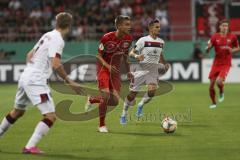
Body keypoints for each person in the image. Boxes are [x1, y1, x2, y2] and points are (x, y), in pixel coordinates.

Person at [0, 12, 83, 154]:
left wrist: (32, 70)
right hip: (35, 80)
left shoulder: (47, 35)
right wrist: (70, 82)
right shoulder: (58, 39)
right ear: (69, 26)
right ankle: (29, 147)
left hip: (26, 75)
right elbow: (56, 64)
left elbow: (29, 55)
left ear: (56, 23)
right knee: (50, 116)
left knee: (18, 111)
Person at [85, 15, 133, 132]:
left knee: (115, 101)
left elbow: (126, 56)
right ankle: (102, 125)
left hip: (115, 71)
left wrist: (129, 71)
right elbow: (98, 55)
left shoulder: (128, 39)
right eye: (126, 24)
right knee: (106, 96)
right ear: (119, 26)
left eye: (129, 24)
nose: (129, 26)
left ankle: (92, 99)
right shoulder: (106, 38)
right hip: (103, 68)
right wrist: (107, 66)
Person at [120, 19, 170, 124]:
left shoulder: (161, 42)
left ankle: (140, 105)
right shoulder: (143, 40)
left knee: (152, 92)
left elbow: (160, 54)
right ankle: (124, 114)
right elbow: (131, 53)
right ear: (151, 28)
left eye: (159, 27)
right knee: (132, 95)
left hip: (153, 70)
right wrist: (138, 56)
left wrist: (165, 63)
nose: (159, 29)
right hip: (141, 69)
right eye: (156, 27)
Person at [205, 19, 240, 109]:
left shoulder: (232, 37)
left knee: (219, 81)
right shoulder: (215, 36)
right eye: (223, 25)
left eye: (226, 26)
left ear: (228, 27)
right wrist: (208, 48)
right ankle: (213, 103)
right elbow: (208, 48)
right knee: (211, 86)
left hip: (226, 63)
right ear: (220, 27)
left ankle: (221, 91)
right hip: (216, 63)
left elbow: (238, 48)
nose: (225, 27)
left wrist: (232, 50)